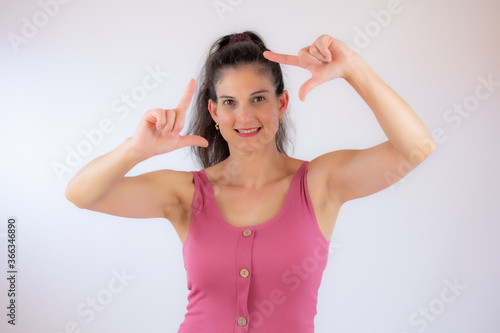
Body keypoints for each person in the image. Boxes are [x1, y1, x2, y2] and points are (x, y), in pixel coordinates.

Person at [66, 31, 435, 332]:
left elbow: (416, 148)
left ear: (282, 103)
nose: (244, 116)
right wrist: (135, 149)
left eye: (258, 98)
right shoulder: (187, 194)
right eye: (229, 102)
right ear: (214, 111)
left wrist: (354, 68)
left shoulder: (320, 183)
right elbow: (81, 194)